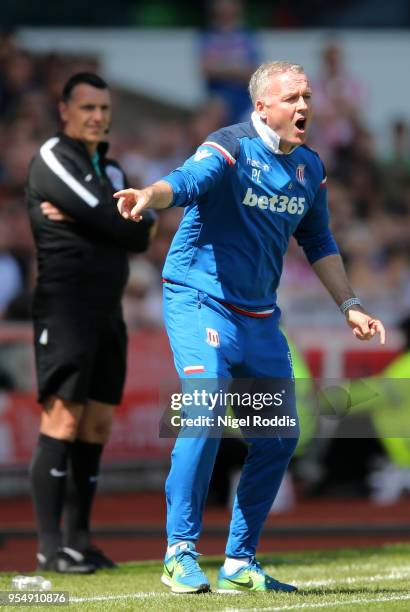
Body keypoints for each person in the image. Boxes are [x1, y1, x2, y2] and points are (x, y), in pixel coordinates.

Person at [115, 60, 385, 594]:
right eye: (292, 98)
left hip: (259, 317)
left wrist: (349, 303)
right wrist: (152, 195)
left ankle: (240, 561)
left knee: (280, 435)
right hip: (199, 299)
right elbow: (189, 180)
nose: (304, 106)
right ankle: (179, 552)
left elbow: (319, 242)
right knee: (206, 405)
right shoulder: (230, 145)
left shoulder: (309, 167)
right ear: (263, 107)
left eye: (306, 96)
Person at [26, 72, 156, 573]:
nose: (98, 116)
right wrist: (114, 221)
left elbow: (139, 235)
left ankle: (79, 542)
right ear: (65, 111)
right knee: (61, 418)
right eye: (87, 108)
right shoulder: (53, 156)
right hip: (65, 309)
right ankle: (47, 547)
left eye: (104, 108)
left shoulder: (114, 169)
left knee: (97, 424)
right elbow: (114, 221)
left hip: (107, 311)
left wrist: (112, 220)